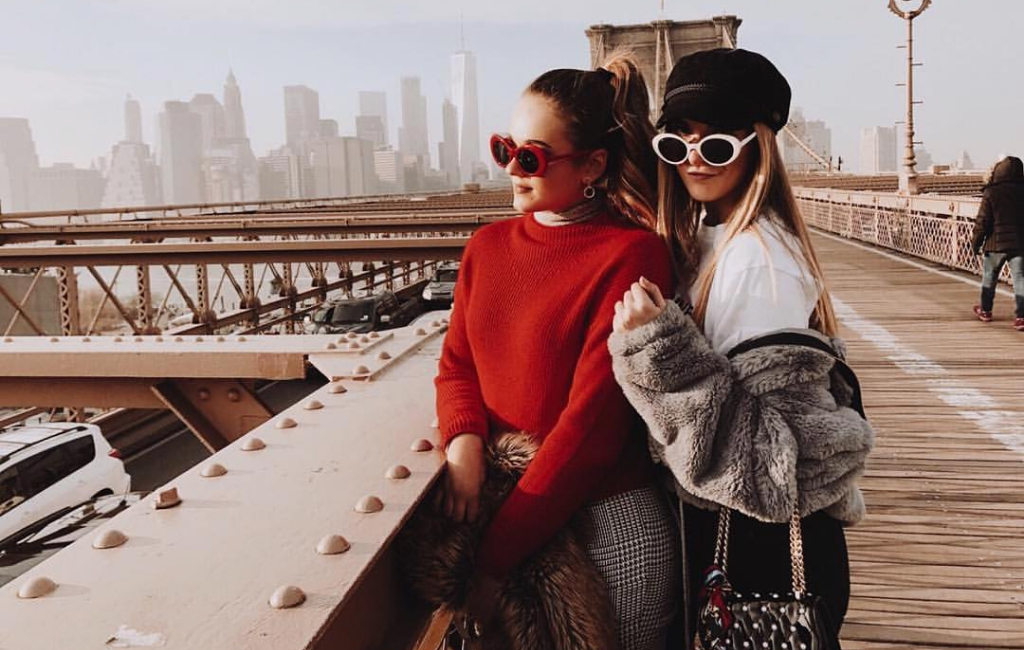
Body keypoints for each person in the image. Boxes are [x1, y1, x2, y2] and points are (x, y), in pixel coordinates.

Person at [607, 48, 874, 640]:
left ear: (758, 146)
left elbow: (764, 461)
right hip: (740, 541)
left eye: (717, 144)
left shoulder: (759, 260)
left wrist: (658, 350)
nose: (694, 161)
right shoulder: (710, 237)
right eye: (676, 144)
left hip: (760, 556)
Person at [434, 52, 678, 649]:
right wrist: (463, 444)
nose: (512, 170)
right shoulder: (486, 247)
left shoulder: (632, 255)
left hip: (605, 532)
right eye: (505, 149)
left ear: (593, 163)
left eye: (531, 157)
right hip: (507, 517)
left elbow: (591, 430)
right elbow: (457, 363)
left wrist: (492, 561)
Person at [971, 155, 1024, 330]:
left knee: (989, 277)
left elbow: (982, 221)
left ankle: (985, 311)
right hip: (1019, 244)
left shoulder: (991, 192)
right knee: (1020, 279)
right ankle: (1021, 317)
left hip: (995, 244)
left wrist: (975, 243)